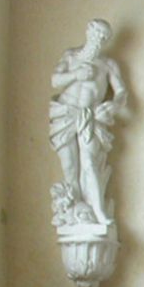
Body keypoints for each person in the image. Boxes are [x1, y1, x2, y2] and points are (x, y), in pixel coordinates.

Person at [49, 18, 127, 226]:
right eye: (96, 32)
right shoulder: (70, 56)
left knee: (90, 163)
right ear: (88, 31)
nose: (99, 38)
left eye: (103, 36)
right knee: (69, 167)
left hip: (90, 117)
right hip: (65, 114)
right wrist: (76, 74)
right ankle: (76, 215)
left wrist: (113, 105)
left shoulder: (108, 65)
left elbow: (122, 93)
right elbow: (55, 81)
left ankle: (98, 211)